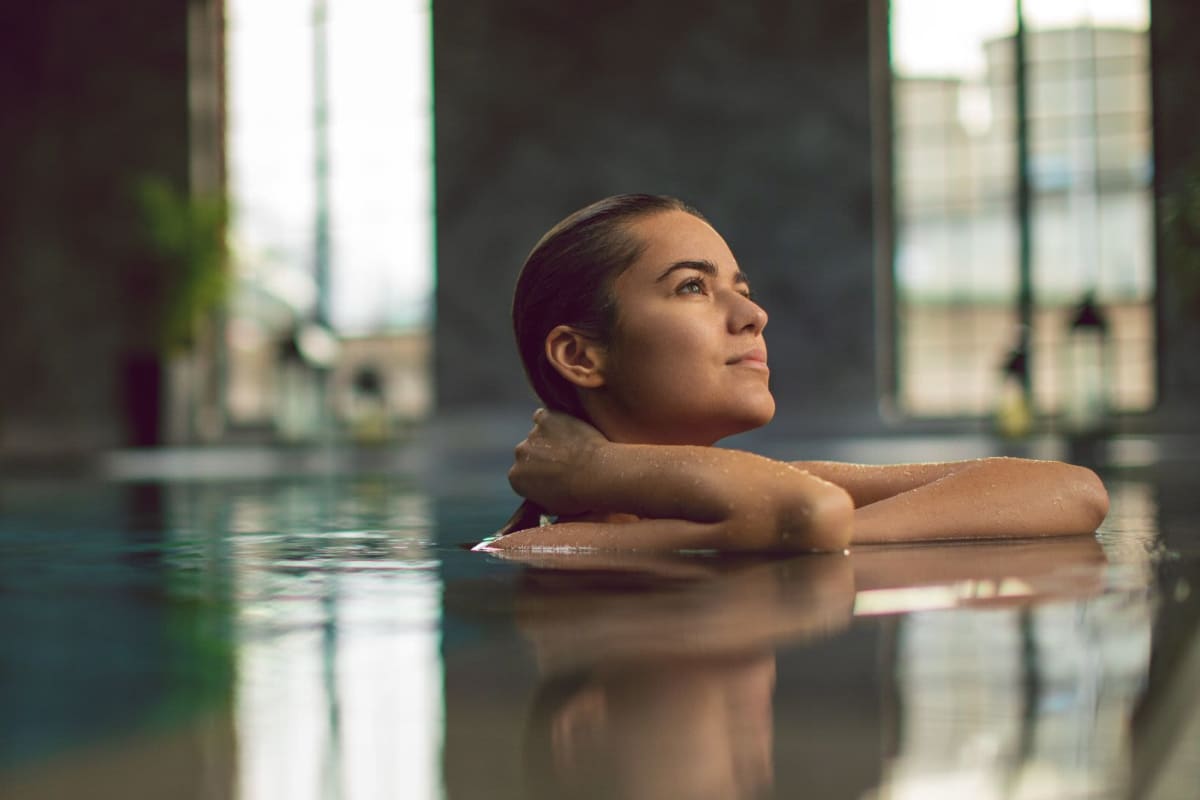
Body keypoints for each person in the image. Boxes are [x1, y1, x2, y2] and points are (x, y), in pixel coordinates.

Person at [476, 194, 1109, 553]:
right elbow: (807, 512)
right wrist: (798, 529)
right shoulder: (544, 551)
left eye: (741, 288)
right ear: (581, 356)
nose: (753, 314)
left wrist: (600, 469)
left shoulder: (765, 503)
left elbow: (1073, 490)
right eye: (693, 287)